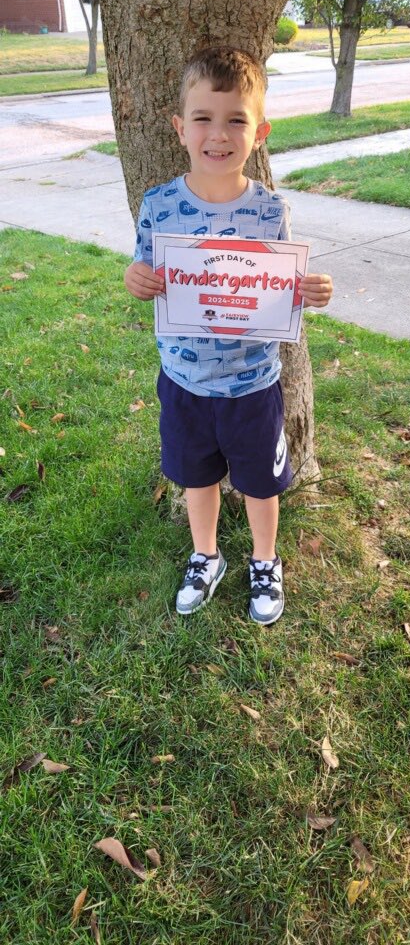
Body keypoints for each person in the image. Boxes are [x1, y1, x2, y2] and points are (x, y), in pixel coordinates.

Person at [124, 46, 333, 625]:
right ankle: (206, 554)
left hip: (253, 383)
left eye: (236, 120)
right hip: (185, 379)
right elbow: (147, 269)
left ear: (259, 132)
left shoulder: (269, 211)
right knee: (197, 475)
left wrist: (305, 291)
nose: (219, 134)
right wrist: (135, 278)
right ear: (179, 128)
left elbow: (276, 288)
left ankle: (266, 560)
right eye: (203, 119)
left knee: (260, 483)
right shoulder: (160, 206)